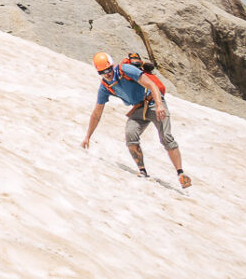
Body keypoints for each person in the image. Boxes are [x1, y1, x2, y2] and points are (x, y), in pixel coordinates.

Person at [82, 51, 191, 187]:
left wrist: (159, 105)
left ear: (113, 66)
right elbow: (97, 113)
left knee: (166, 137)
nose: (107, 74)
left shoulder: (125, 70)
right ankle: (142, 171)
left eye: (109, 69)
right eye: (103, 72)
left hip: (153, 102)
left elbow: (152, 85)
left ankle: (180, 173)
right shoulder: (105, 87)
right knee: (130, 135)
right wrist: (87, 136)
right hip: (139, 108)